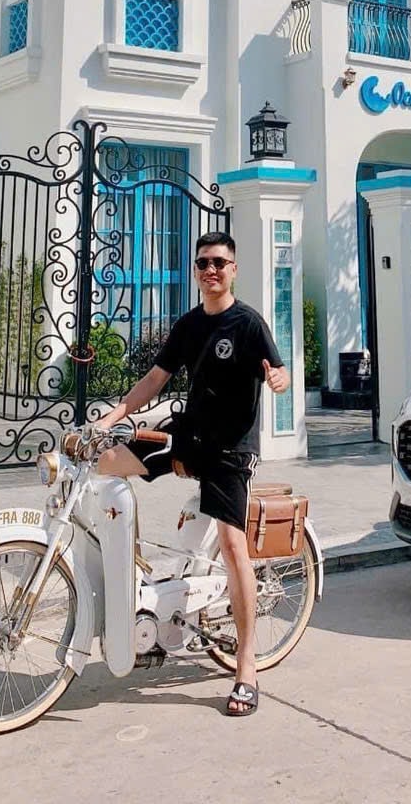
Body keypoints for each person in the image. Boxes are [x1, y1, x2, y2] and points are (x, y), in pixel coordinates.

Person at [95, 230, 291, 717]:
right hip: (188, 438)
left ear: (234, 268)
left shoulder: (248, 324)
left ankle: (245, 666)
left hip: (229, 452)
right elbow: (155, 379)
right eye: (203, 263)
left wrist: (279, 379)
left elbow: (278, 372)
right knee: (103, 463)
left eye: (220, 262)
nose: (211, 270)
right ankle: (135, 572)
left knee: (232, 546)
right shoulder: (187, 325)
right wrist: (115, 416)